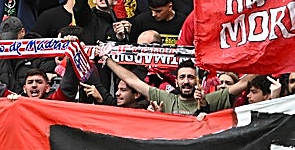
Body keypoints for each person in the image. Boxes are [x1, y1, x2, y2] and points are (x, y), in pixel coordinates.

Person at [102, 56, 250, 115]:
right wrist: (107, 60)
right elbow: (133, 81)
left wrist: (272, 59)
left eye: (191, 77)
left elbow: (244, 83)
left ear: (198, 81)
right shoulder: (165, 99)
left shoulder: (212, 99)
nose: (186, 81)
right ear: (177, 81)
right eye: (182, 77)